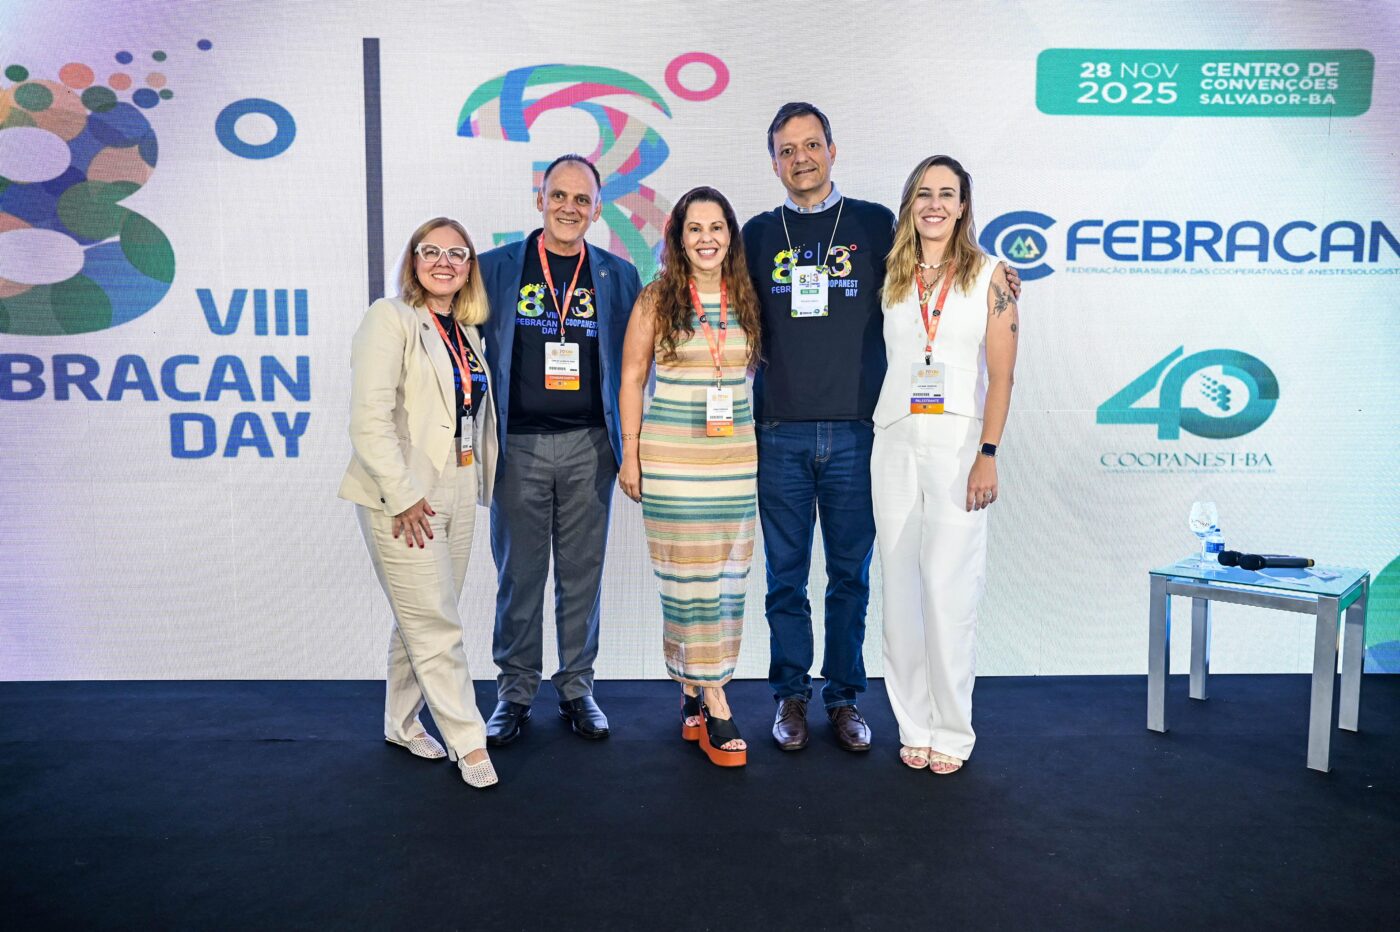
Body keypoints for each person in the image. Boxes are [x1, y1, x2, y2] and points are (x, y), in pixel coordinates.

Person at [743, 103, 1021, 754]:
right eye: (788, 150)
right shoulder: (756, 235)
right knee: (785, 578)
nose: (802, 158)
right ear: (774, 162)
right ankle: (790, 696)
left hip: (859, 434)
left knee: (851, 578)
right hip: (779, 430)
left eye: (812, 144)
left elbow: (942, 262)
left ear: (833, 150)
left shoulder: (874, 226)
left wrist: (997, 276)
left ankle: (843, 698)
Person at [477, 155, 642, 745]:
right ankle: (515, 692)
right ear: (539, 198)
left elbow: (635, 365)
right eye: (559, 195)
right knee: (519, 576)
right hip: (517, 446)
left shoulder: (620, 275)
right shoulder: (493, 269)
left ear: (597, 210)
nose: (569, 207)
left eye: (582, 199)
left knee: (581, 575)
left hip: (590, 447)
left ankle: (576, 688)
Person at [338, 217, 500, 788]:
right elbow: (369, 420)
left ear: (469, 268)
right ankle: (469, 741)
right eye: (431, 251)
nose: (444, 263)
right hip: (404, 493)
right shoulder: (390, 318)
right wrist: (403, 496)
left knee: (427, 612)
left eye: (457, 254)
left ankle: (401, 722)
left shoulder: (465, 329)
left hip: (459, 480)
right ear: (412, 260)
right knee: (436, 622)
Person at [872, 155, 1019, 775]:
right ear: (911, 204)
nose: (934, 204)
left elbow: (1002, 377)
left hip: (959, 445)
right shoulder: (891, 273)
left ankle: (953, 731)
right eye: (924, 193)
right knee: (900, 590)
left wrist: (988, 454)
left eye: (947, 194)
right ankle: (914, 723)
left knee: (948, 587)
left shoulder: (992, 275)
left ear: (962, 207)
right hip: (893, 439)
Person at [618, 187, 763, 768]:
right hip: (673, 463)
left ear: (731, 235)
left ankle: (690, 689)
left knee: (727, 579)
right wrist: (630, 454)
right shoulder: (657, 298)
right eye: (694, 228)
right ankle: (716, 698)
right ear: (678, 238)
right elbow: (632, 378)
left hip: (735, 464)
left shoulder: (746, 295)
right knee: (689, 581)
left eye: (716, 227)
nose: (707, 239)